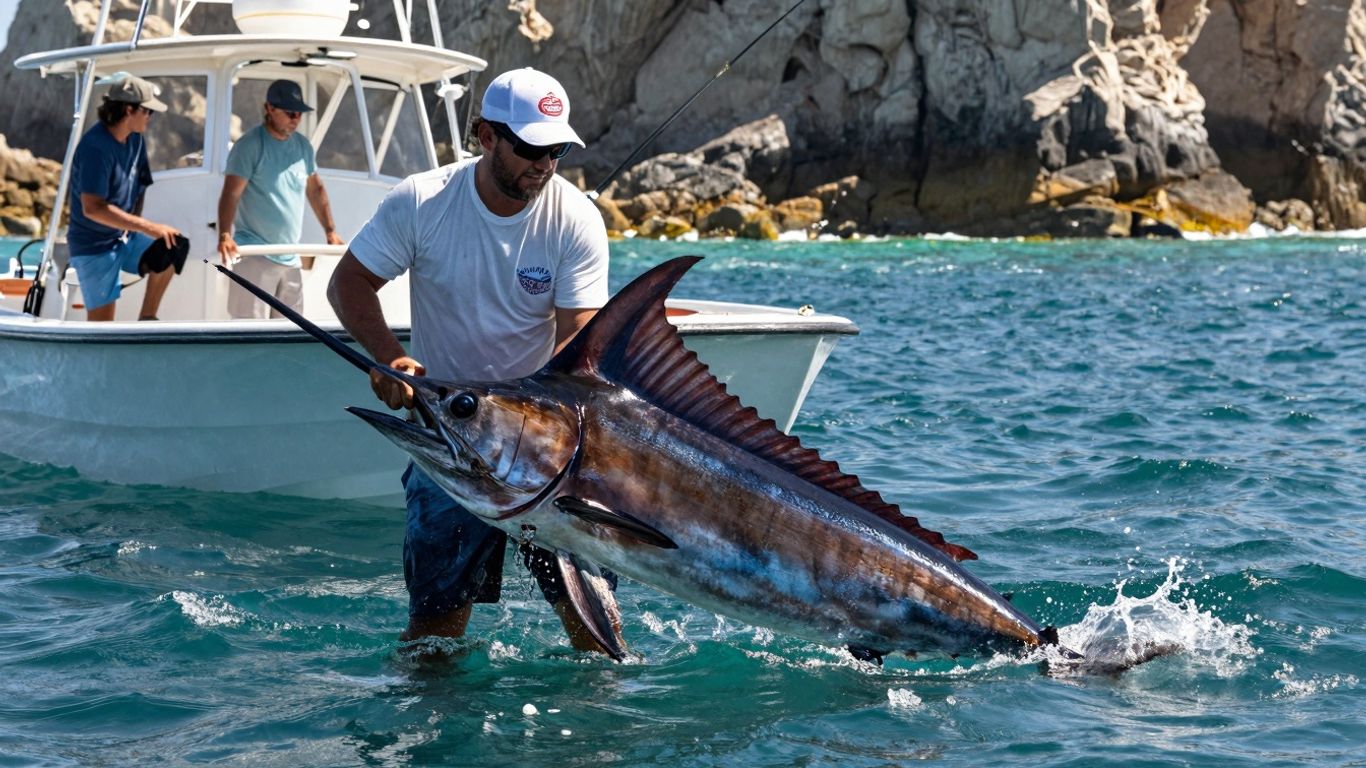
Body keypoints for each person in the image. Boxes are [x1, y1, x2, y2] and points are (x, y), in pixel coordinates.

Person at [327, 68, 618, 652]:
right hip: (452, 443)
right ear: (485, 136)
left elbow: (580, 349)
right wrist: (391, 361)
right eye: (532, 146)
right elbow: (349, 285)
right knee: (433, 644)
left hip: (546, 452)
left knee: (599, 640)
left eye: (557, 148)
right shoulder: (421, 200)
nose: (545, 162)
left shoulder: (576, 218)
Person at [217, 79, 343, 318]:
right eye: (290, 112)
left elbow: (315, 190)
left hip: (290, 256)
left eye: (299, 113)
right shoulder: (249, 146)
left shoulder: (303, 147)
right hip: (253, 253)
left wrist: (330, 231)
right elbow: (230, 194)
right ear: (269, 109)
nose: (296, 118)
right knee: (249, 335)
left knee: (290, 334)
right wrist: (224, 234)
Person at [68, 74, 189, 321]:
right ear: (128, 109)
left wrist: (134, 228)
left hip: (123, 240)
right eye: (147, 111)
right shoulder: (95, 148)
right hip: (93, 248)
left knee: (173, 246)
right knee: (102, 328)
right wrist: (149, 227)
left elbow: (140, 186)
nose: (150, 117)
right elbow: (93, 208)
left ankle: (147, 320)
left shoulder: (135, 140)